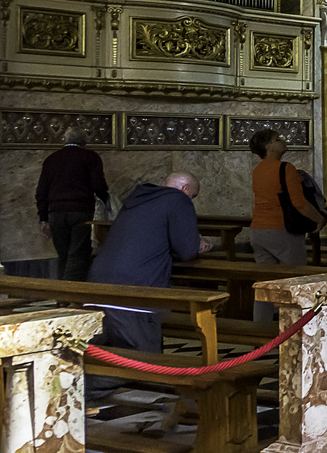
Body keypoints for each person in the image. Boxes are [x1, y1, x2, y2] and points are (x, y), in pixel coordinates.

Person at [88, 172, 211, 354]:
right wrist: (199, 242)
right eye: (192, 197)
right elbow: (186, 251)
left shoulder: (137, 198)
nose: (191, 202)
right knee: (143, 362)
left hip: (97, 286)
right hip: (135, 292)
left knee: (107, 358)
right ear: (185, 189)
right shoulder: (178, 199)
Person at [248, 129, 325, 321]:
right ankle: (297, 332)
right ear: (269, 147)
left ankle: (261, 330)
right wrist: (319, 219)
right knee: (297, 282)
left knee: (264, 285)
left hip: (258, 230)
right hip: (282, 231)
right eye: (278, 139)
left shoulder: (258, 170)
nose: (283, 141)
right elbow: (299, 203)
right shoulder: (285, 168)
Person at [35, 126, 109, 281]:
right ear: (84, 141)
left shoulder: (51, 159)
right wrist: (106, 200)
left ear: (65, 140)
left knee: (63, 254)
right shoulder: (90, 157)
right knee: (78, 253)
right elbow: (98, 185)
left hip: (55, 213)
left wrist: (43, 218)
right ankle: (71, 296)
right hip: (80, 212)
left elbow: (41, 191)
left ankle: (62, 293)